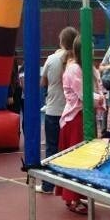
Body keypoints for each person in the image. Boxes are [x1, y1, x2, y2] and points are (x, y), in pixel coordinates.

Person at [57, 36, 105, 214]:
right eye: (89, 49)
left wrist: (100, 98)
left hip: (85, 117)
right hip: (75, 119)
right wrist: (100, 99)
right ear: (80, 50)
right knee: (75, 161)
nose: (92, 52)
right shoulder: (74, 69)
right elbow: (86, 95)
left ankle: (77, 195)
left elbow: (98, 88)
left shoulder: (89, 69)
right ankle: (72, 198)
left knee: (85, 160)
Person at [37, 26, 78, 194]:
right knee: (71, 150)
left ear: (61, 42)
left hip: (54, 110)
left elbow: (43, 82)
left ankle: (48, 185)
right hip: (72, 112)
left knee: (51, 148)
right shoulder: (78, 61)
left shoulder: (52, 59)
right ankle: (70, 186)